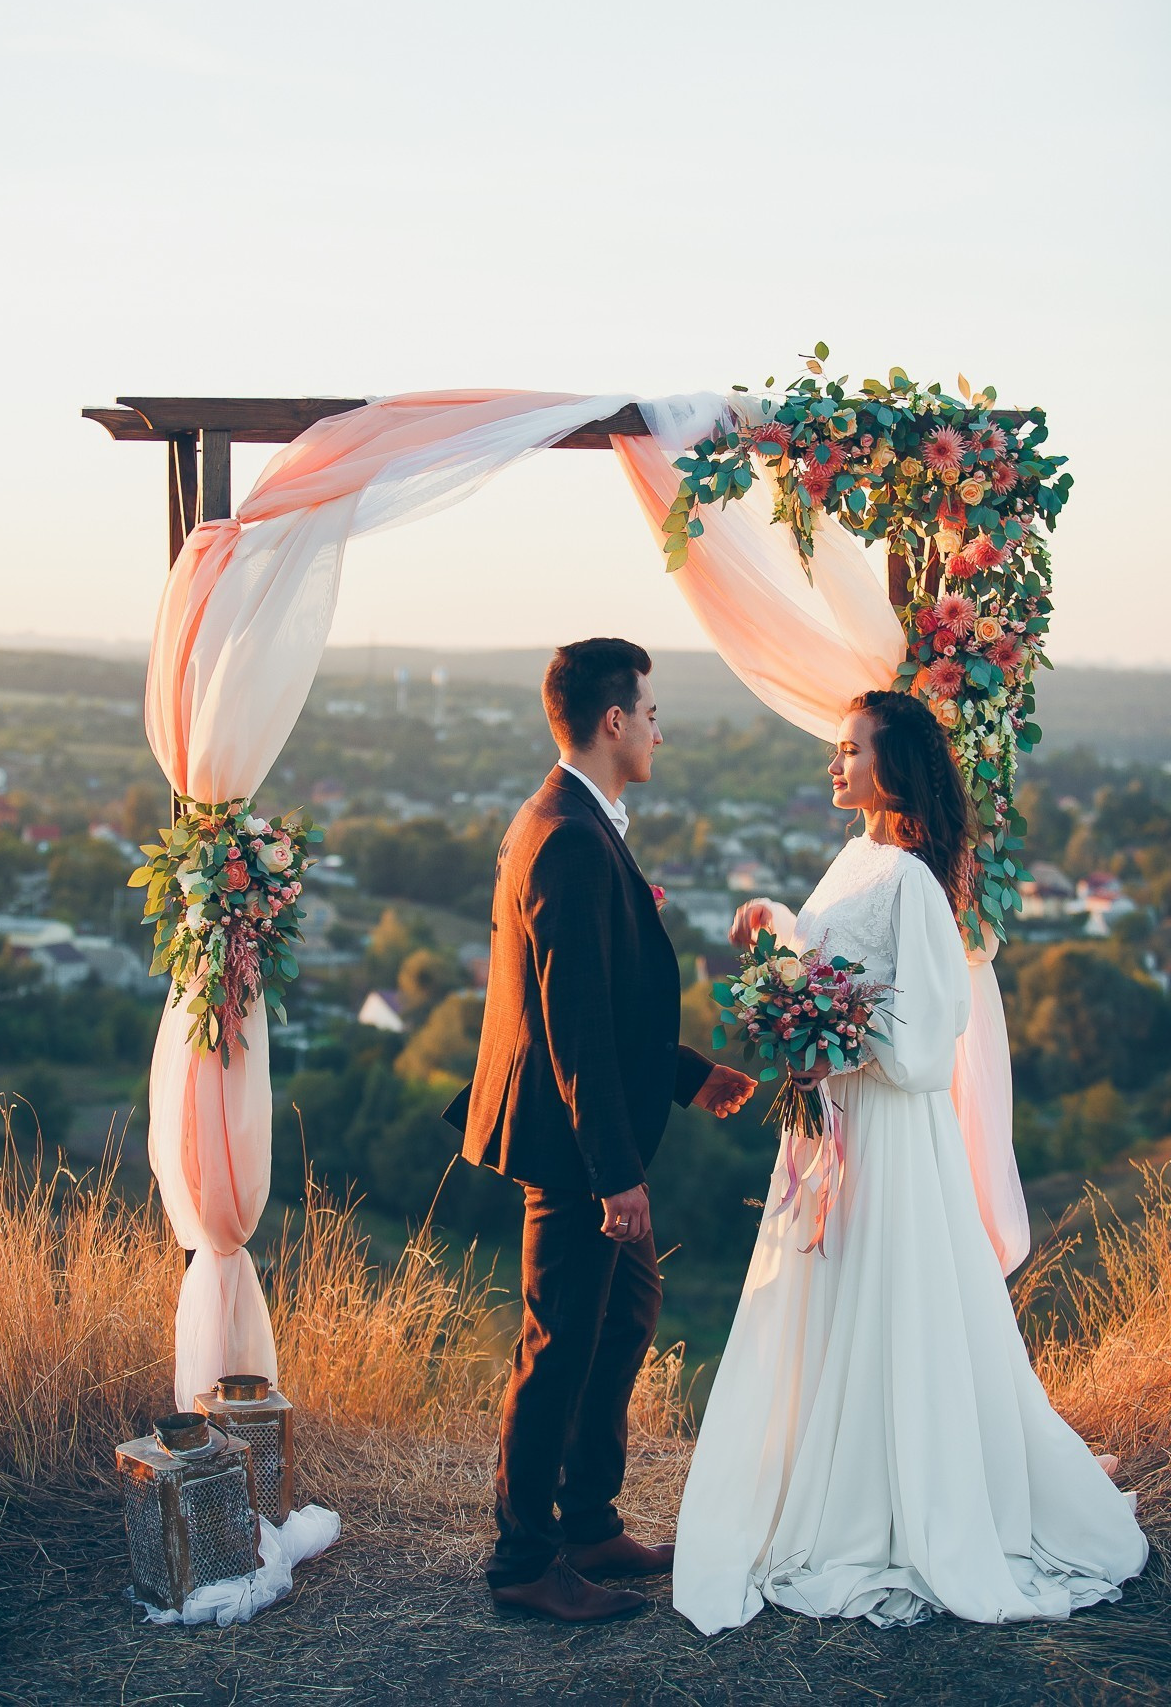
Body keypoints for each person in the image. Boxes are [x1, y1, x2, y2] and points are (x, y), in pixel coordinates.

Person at [673, 688, 1147, 1633]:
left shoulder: (918, 883)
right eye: (838, 749)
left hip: (884, 1131)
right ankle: (829, 1479)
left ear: (893, 771)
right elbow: (831, 969)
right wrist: (779, 932)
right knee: (831, 1300)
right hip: (831, 1124)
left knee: (891, 1303)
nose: (835, 763)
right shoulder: (856, 859)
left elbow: (930, 1032)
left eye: (852, 750)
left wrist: (837, 1045)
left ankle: (895, 1506)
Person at [446, 637, 755, 1623]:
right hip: (570, 1145)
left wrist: (689, 1075)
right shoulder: (570, 834)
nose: (661, 729)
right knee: (560, 1342)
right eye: (652, 714)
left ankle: (586, 1518)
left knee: (622, 1318)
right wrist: (614, 1173)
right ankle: (525, 1562)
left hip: (586, 1129)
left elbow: (605, 1003)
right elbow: (571, 1017)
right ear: (615, 721)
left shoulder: (575, 818)